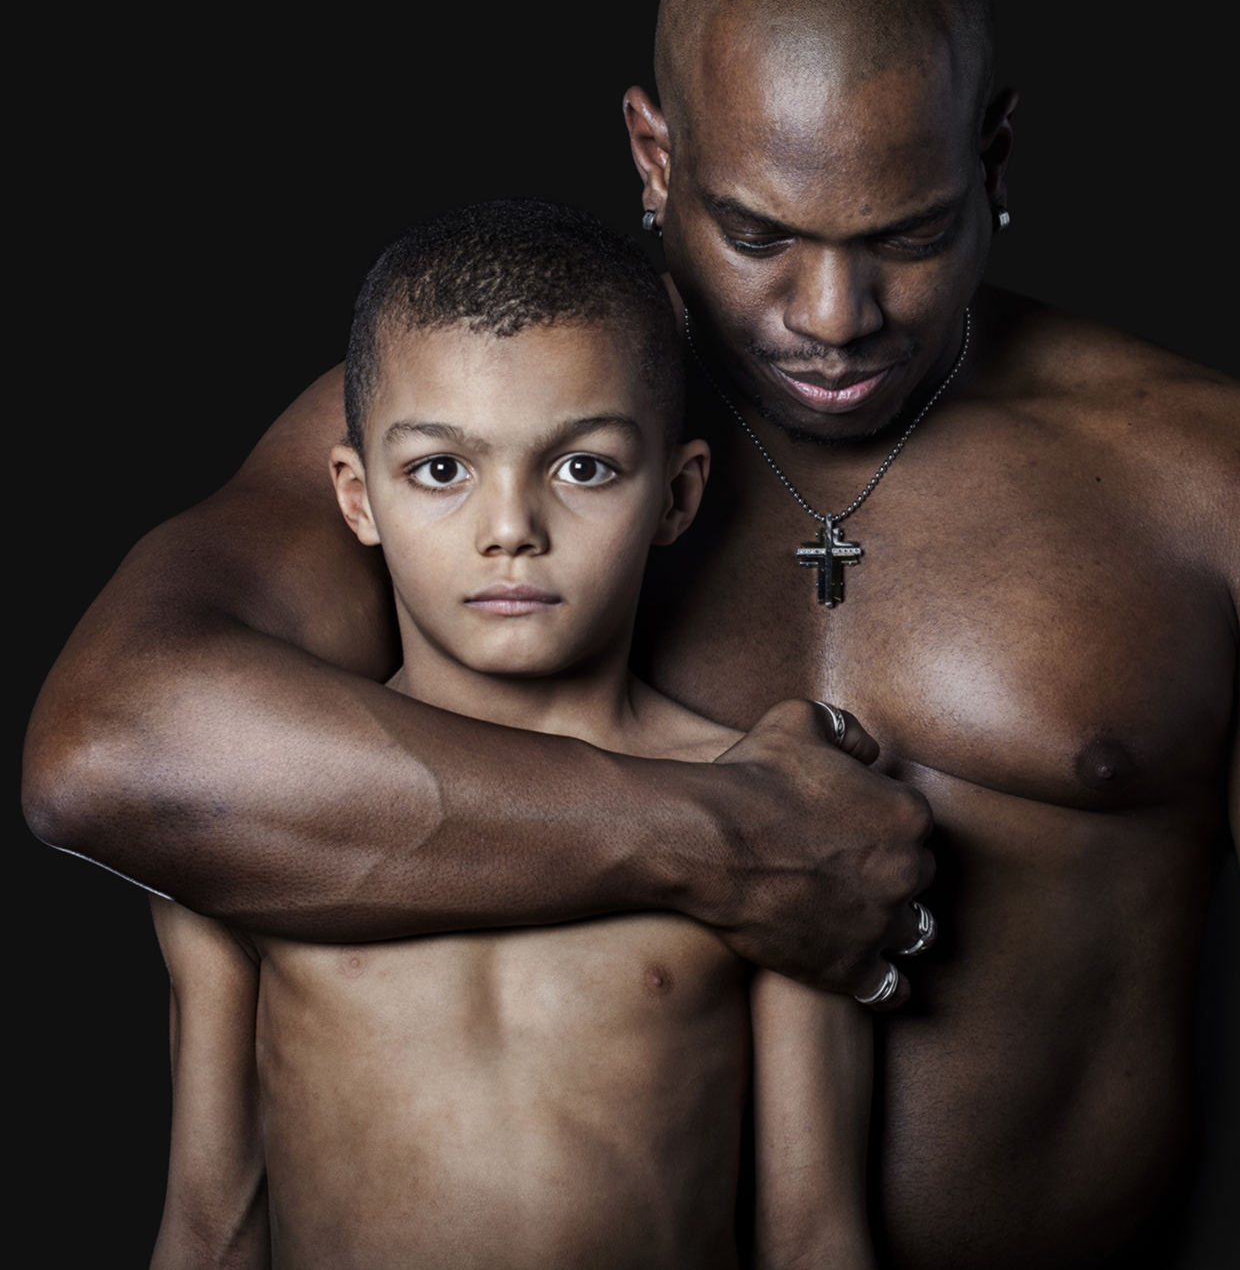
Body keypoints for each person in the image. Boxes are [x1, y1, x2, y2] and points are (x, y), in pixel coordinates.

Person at [23, 0, 1240, 1268]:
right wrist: (722, 841)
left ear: (992, 160)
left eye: (908, 237)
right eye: (758, 235)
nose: (834, 314)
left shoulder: (1227, 489)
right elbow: (112, 751)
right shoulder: (475, 435)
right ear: (655, 158)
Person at [149, 197, 881, 1269]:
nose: (510, 530)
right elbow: (214, 1222)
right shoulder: (264, 822)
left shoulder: (770, 821)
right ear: (357, 496)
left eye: (582, 467)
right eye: (442, 470)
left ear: (675, 496)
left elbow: (815, 1235)